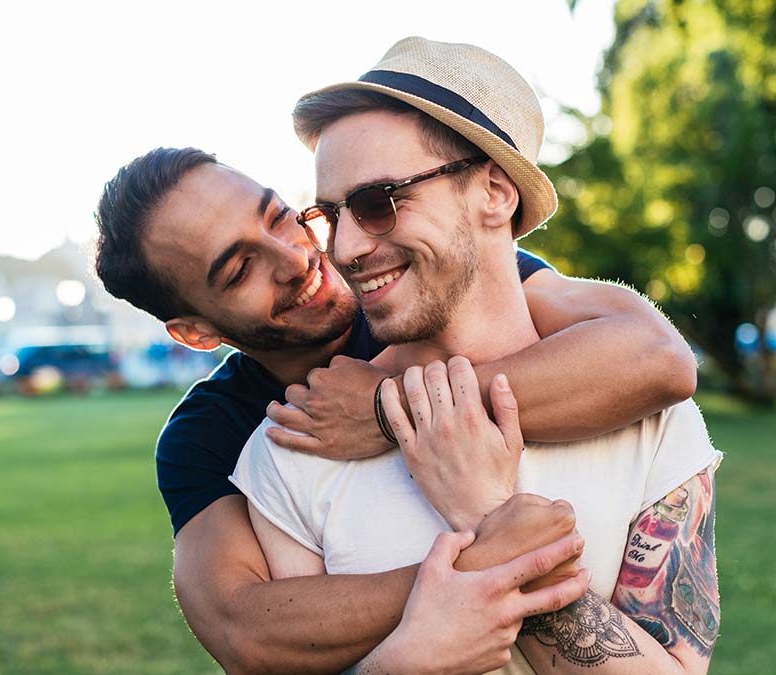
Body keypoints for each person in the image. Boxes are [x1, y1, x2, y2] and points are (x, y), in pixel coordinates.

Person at [94, 86, 696, 675]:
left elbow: (654, 357)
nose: (298, 257)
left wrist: (386, 411)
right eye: (241, 268)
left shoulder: (424, 280)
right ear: (197, 332)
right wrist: (478, 563)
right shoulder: (213, 432)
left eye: (282, 218)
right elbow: (243, 630)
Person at [231, 37, 722, 674]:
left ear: (494, 191)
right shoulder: (297, 444)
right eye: (330, 214)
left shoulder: (654, 424)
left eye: (379, 203)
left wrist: (489, 513)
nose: (345, 248)